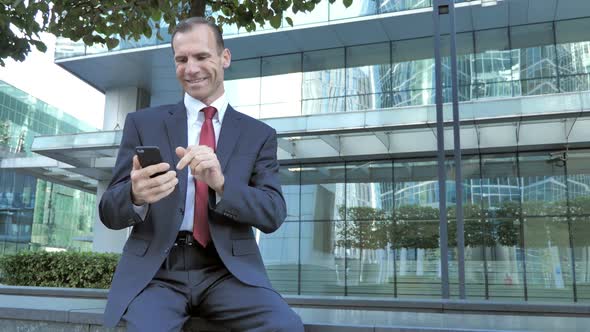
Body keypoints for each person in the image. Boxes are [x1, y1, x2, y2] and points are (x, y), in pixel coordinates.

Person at [99, 17, 304, 332]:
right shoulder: (143, 123)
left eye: (201, 56)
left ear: (225, 57)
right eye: (181, 59)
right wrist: (135, 195)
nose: (190, 68)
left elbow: (272, 213)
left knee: (284, 327)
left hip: (227, 272)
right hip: (158, 272)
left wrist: (221, 184)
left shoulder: (258, 134)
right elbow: (109, 212)